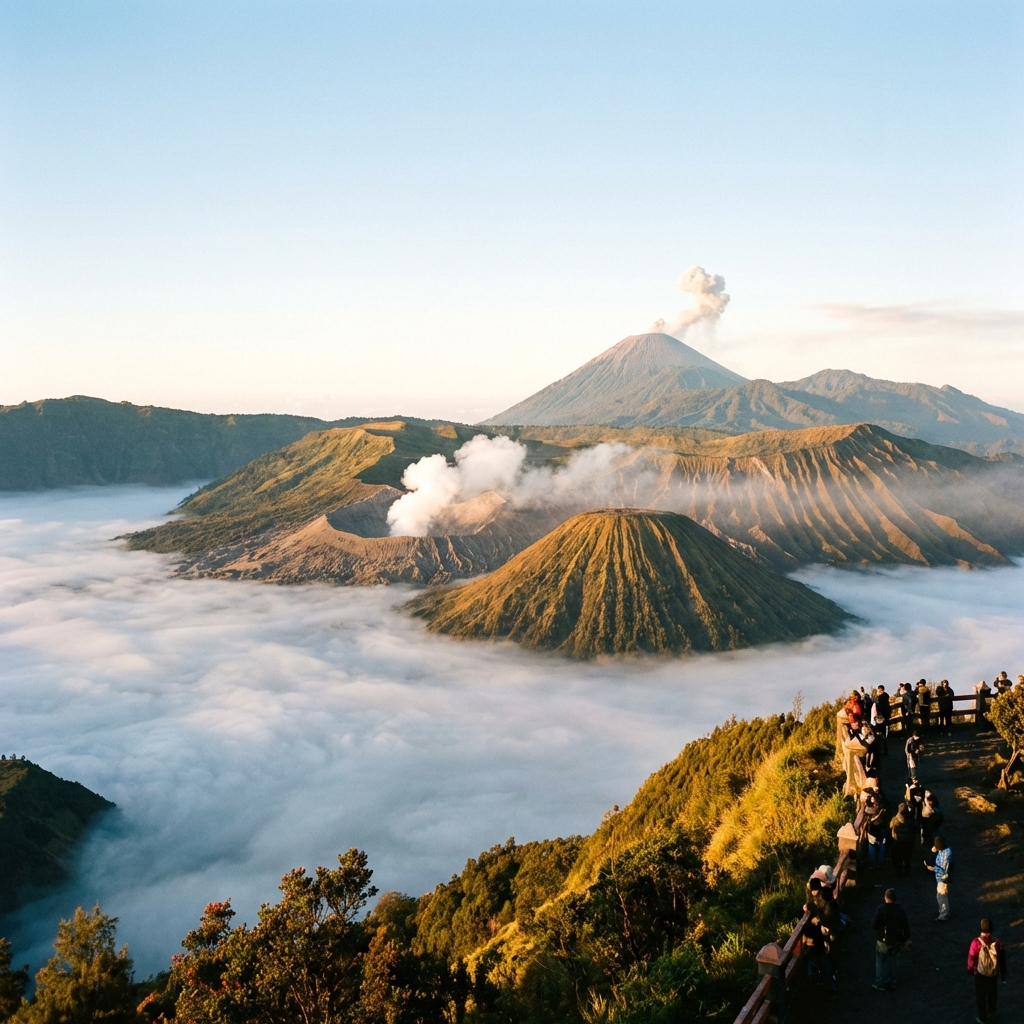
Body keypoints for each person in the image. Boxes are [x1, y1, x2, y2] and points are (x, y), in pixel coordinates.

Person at [967, 917, 1007, 1023]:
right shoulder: (997, 943)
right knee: (992, 994)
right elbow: (1002, 959)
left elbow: (971, 957)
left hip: (980, 974)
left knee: (981, 996)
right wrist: (1003, 975)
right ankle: (992, 1013)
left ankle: (982, 1018)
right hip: (993, 974)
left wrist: (971, 970)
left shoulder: (976, 942)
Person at [871, 888, 910, 992]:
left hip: (883, 940)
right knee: (895, 960)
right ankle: (894, 981)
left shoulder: (881, 909)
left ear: (885, 898)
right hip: (897, 940)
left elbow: (874, 924)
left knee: (881, 961)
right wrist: (906, 939)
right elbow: (905, 926)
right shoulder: (900, 910)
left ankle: (881, 982)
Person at [927, 835, 953, 921]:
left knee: (941, 896)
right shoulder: (946, 848)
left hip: (943, 878)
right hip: (941, 877)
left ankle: (944, 915)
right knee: (940, 895)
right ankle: (943, 911)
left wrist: (933, 868)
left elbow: (944, 871)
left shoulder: (946, 856)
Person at [889, 802, 914, 877]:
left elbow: (890, 827)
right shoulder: (910, 819)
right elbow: (913, 829)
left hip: (897, 842)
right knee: (907, 857)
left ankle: (898, 872)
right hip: (907, 841)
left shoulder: (895, 819)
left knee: (897, 857)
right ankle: (907, 871)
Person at [920, 790, 944, 860]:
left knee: (928, 846)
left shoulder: (928, 811)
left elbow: (923, 817)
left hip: (928, 830)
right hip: (935, 829)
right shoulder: (937, 809)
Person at [872, 685, 891, 754]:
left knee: (879, 734)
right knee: (885, 734)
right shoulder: (887, 696)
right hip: (887, 717)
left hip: (880, 718)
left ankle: (879, 750)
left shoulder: (879, 699)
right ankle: (886, 750)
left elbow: (876, 706)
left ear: (880, 690)